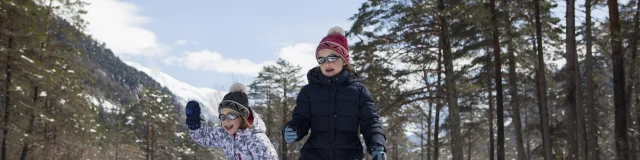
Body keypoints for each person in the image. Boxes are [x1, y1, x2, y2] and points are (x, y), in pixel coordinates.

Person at [282, 26, 387, 160]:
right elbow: (301, 119)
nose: (326, 63)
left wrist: (377, 145)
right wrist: (294, 129)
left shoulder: (359, 91)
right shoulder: (308, 91)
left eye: (332, 57)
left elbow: (370, 123)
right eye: (322, 59)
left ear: (344, 60)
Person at [186, 83, 278, 160]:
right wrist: (194, 123)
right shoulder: (225, 135)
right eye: (222, 116)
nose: (226, 120)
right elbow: (204, 137)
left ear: (243, 117)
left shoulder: (256, 139)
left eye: (231, 115)